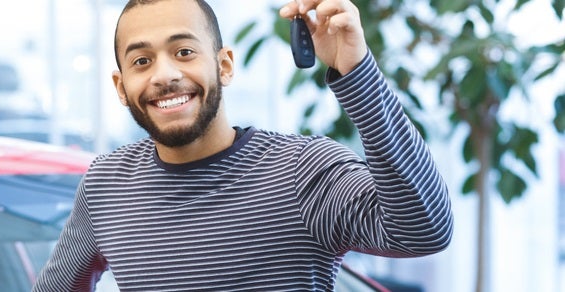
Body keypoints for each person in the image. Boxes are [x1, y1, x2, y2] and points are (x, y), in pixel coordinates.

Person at [32, 0, 453, 291]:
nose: (164, 75)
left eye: (183, 51)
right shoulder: (107, 183)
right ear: (122, 87)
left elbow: (424, 230)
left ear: (225, 65)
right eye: (142, 61)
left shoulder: (303, 170)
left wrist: (356, 72)